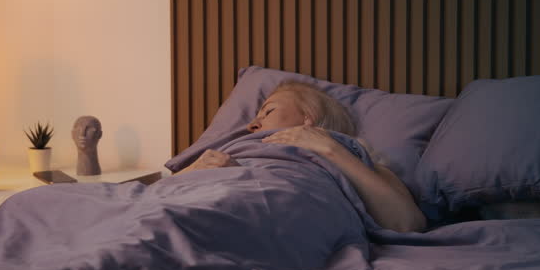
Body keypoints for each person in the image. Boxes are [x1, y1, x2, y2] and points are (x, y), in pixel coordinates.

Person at [177, 81, 426, 233]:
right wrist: (190, 173)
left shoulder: (353, 157)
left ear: (308, 117)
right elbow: (154, 195)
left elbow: (407, 223)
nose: (252, 125)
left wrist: (330, 148)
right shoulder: (237, 148)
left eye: (268, 111)